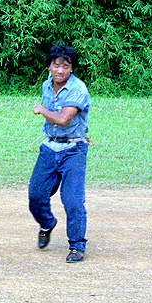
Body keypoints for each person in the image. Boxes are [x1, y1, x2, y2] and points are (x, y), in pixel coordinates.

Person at [29, 45, 91, 263]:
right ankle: (47, 223)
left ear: (72, 69)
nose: (60, 70)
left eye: (66, 66)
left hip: (73, 150)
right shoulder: (47, 85)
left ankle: (76, 246)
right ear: (49, 66)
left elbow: (64, 118)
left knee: (72, 200)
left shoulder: (78, 89)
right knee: (36, 196)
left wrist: (41, 110)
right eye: (56, 65)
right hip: (49, 147)